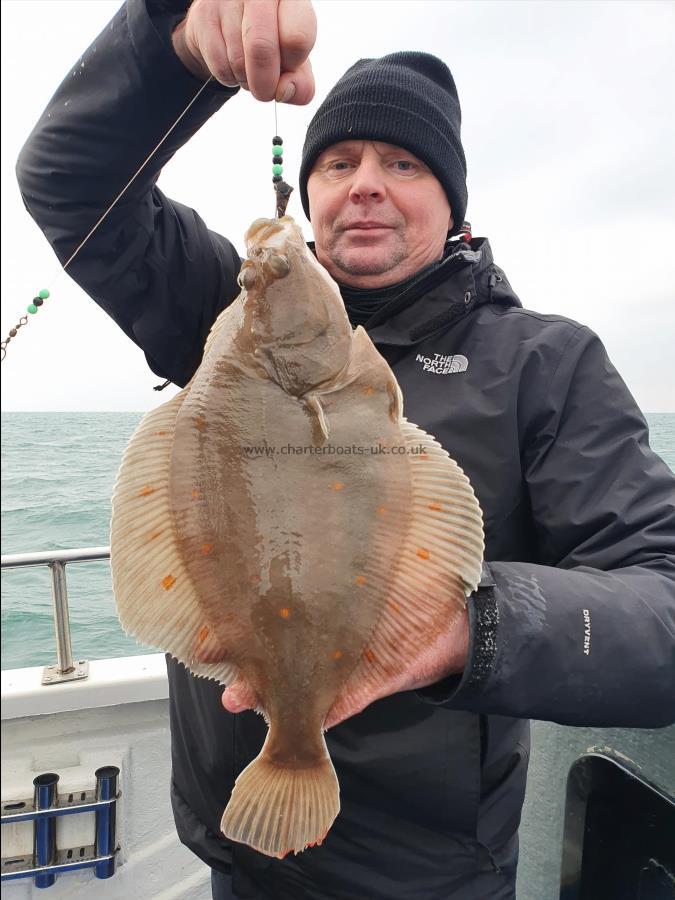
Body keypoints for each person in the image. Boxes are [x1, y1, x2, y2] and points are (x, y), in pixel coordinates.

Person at [16, 1, 675, 898]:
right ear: (312, 197)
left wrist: (461, 632)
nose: (363, 183)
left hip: (431, 875)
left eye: (401, 163)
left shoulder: (544, 363)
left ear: (453, 204)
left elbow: (663, 606)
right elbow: (70, 181)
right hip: (235, 856)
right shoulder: (228, 316)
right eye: (336, 162)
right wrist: (171, 46)